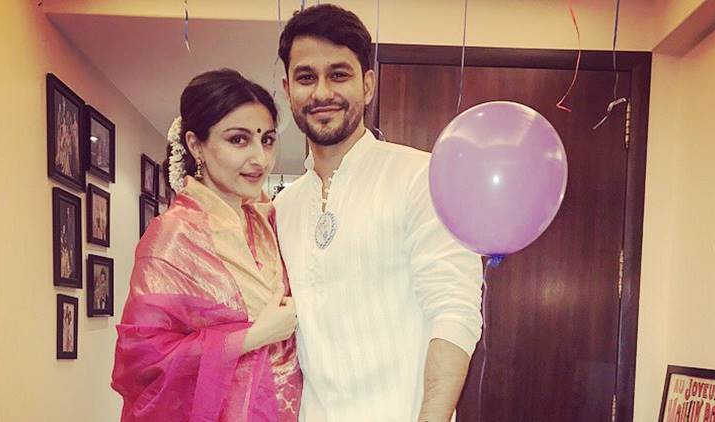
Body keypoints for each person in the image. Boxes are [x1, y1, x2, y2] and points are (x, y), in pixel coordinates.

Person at [274, 4, 483, 421]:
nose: (321, 93)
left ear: (367, 85)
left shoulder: (421, 177)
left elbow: (454, 311)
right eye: (306, 77)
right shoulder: (282, 207)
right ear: (287, 88)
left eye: (339, 74)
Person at [111, 69, 302, 421]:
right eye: (238, 140)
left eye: (267, 140)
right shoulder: (173, 237)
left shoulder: (267, 222)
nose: (260, 158)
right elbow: (144, 362)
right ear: (196, 144)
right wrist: (253, 336)